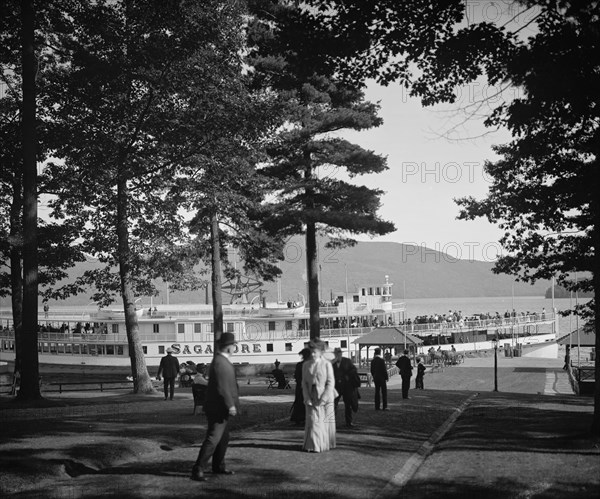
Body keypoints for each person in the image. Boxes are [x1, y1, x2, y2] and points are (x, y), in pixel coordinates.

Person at [191, 332, 239, 481]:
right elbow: (222, 387)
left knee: (223, 439)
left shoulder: (220, 361)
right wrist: (230, 405)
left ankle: (218, 466)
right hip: (218, 408)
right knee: (213, 438)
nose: (234, 348)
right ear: (228, 347)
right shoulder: (220, 362)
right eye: (233, 345)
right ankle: (198, 468)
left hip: (220, 407)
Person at [302, 340, 336, 452]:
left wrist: (324, 398)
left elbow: (330, 382)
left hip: (323, 396)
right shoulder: (306, 365)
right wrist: (306, 397)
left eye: (315, 352)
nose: (312, 354)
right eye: (311, 351)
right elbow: (304, 383)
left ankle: (322, 444)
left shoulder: (326, 364)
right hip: (311, 395)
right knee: (312, 421)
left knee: (324, 422)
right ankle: (312, 445)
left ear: (320, 352)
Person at [332, 347, 359, 428]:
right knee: (333, 404)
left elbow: (354, 370)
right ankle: (331, 422)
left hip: (346, 387)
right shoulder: (331, 363)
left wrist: (348, 376)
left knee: (348, 404)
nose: (338, 354)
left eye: (339, 353)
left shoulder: (347, 361)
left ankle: (349, 422)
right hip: (335, 387)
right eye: (336, 353)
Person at [291, 348, 310, 425]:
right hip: (305, 386)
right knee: (302, 402)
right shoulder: (309, 364)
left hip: (301, 386)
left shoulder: (299, 365)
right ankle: (303, 418)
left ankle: (298, 418)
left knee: (299, 402)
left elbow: (296, 376)